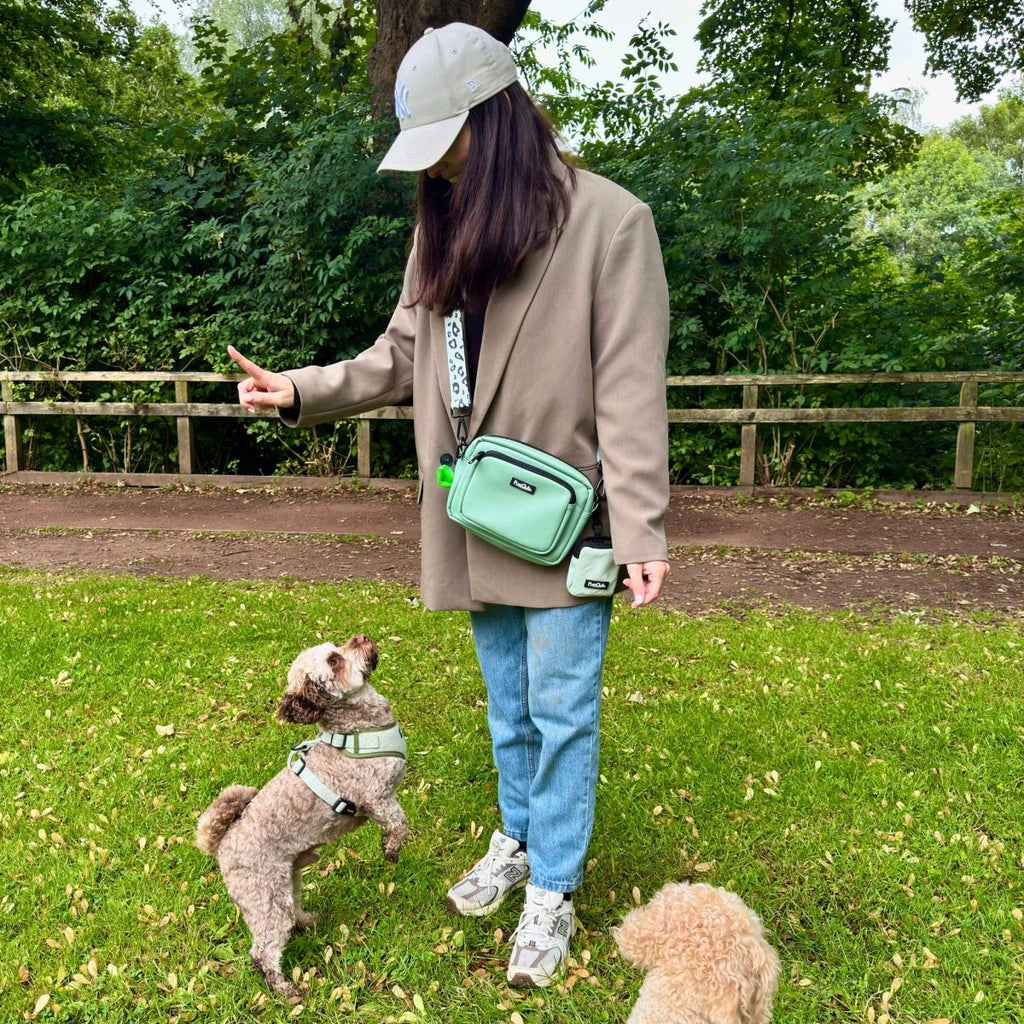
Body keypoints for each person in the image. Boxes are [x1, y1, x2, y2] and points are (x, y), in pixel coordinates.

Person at [227, 21, 670, 989]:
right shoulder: (440, 219)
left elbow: (632, 385)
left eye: (450, 142)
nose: (439, 167)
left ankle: (550, 885)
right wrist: (298, 389)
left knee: (561, 714)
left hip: (565, 521)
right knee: (509, 714)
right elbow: (399, 356)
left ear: (496, 116)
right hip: (471, 514)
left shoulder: (610, 220)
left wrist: (641, 527)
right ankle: (516, 839)